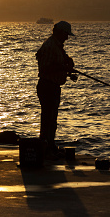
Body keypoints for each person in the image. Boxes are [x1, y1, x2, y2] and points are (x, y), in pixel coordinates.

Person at [35, 20, 77, 158]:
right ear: (59, 33)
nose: (67, 37)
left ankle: (50, 146)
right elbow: (46, 68)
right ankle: (46, 148)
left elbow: (61, 60)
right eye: (66, 34)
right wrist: (63, 68)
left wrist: (68, 66)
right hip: (47, 86)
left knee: (52, 118)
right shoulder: (50, 46)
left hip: (53, 86)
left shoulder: (57, 46)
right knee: (48, 118)